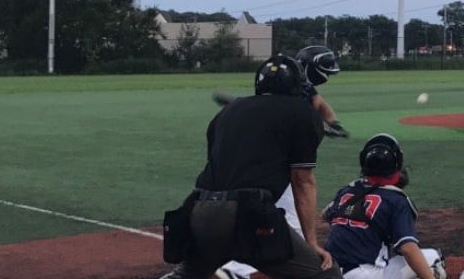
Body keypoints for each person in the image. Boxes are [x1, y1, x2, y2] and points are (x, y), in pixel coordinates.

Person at [158, 55, 342, 279]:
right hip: (250, 216)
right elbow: (303, 181)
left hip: (199, 208)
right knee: (325, 274)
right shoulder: (302, 113)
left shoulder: (227, 111)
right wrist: (311, 242)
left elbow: (217, 164)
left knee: (188, 274)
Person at [219, 46, 345, 279]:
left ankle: (229, 265)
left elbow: (321, 106)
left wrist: (332, 123)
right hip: (279, 172)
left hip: (214, 200)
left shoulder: (301, 88)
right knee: (287, 237)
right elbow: (302, 180)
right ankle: (239, 271)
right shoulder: (294, 92)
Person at [323, 134, 446, 279]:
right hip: (365, 274)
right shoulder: (396, 199)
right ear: (396, 165)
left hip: (331, 272)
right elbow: (408, 248)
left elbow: (326, 214)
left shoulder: (347, 191)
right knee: (432, 258)